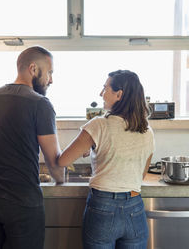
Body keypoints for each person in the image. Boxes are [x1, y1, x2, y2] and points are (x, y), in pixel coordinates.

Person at [0, 46, 65, 249]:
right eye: (49, 72)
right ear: (33, 69)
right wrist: (61, 179)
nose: (51, 80)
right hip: (21, 202)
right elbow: (53, 160)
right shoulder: (41, 104)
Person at [57, 70, 155, 249]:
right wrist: (96, 148)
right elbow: (141, 174)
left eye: (105, 88)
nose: (101, 94)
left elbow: (62, 161)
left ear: (119, 94)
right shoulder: (147, 131)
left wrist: (89, 146)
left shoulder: (98, 125)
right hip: (134, 206)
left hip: (103, 207)